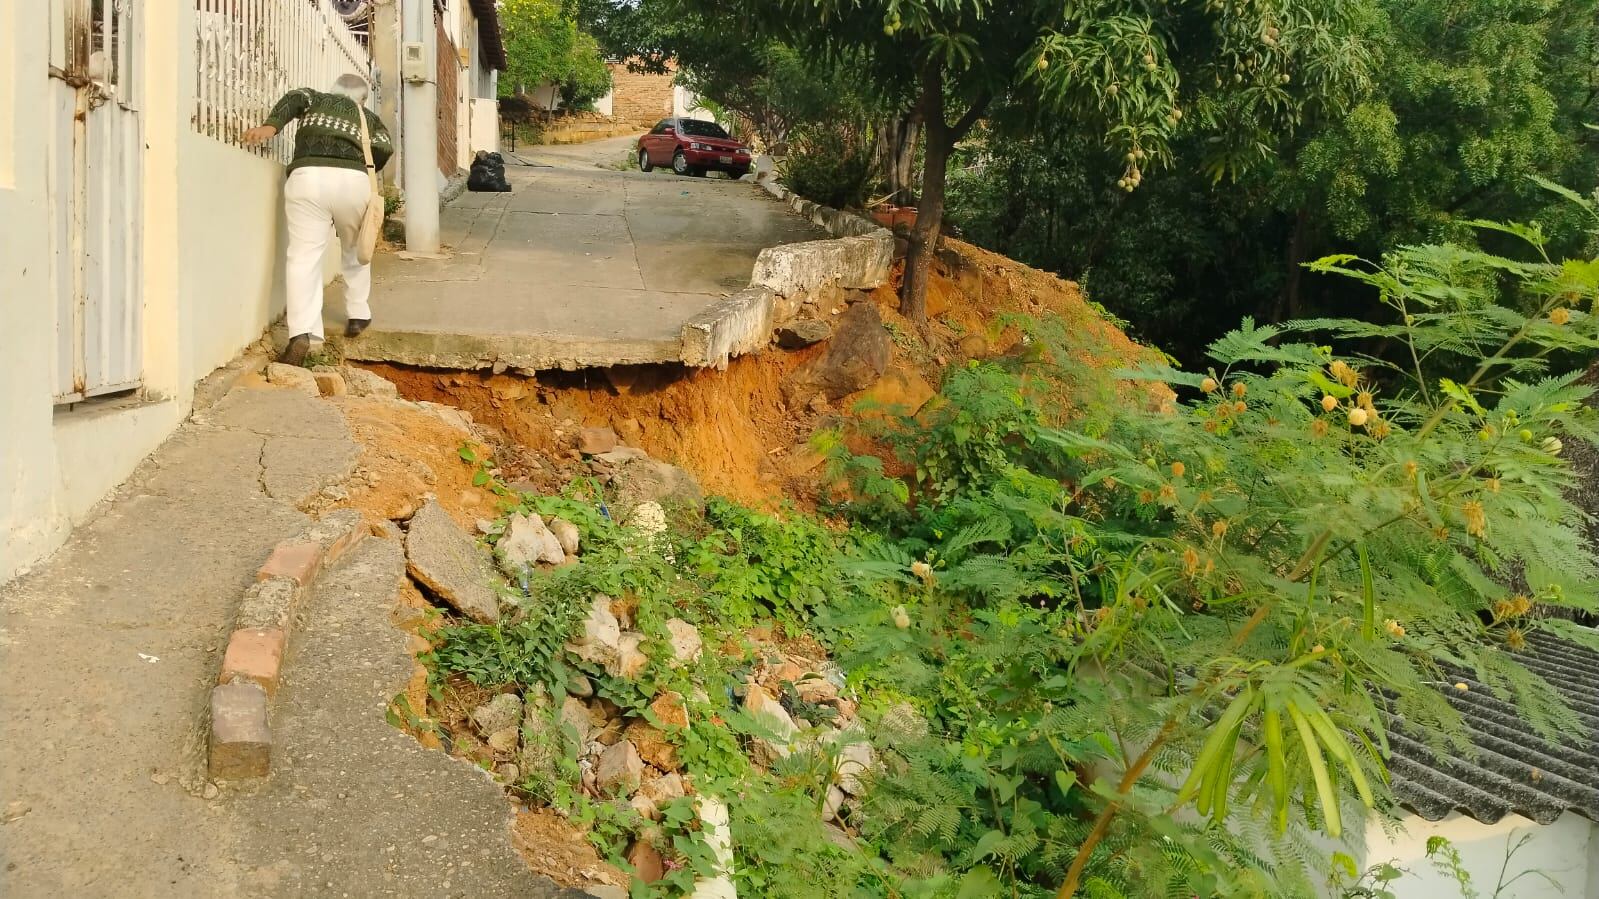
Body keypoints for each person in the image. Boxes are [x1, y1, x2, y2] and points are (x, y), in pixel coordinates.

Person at [242, 74, 393, 366]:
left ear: (332, 90)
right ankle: (358, 314)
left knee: (302, 257)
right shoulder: (367, 116)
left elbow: (293, 98)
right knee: (355, 249)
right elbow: (384, 146)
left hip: (307, 177)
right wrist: (363, 161)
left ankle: (303, 334)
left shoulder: (313, 98)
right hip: (353, 181)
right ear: (361, 99)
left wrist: (271, 126)